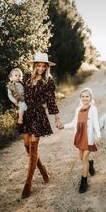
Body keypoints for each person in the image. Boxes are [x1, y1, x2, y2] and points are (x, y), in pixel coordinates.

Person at [20, 52, 63, 199]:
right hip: (26, 114)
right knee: (27, 145)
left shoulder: (48, 81)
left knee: (33, 149)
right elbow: (18, 92)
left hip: (38, 115)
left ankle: (28, 184)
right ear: (34, 65)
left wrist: (57, 118)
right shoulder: (25, 78)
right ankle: (43, 170)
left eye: (44, 66)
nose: (41, 69)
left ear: (47, 67)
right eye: (38, 66)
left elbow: (51, 100)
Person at [62, 88, 101, 193]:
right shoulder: (78, 109)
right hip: (80, 136)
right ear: (80, 98)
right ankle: (90, 163)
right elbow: (74, 122)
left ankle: (84, 181)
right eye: (83, 96)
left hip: (89, 138)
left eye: (87, 96)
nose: (85, 98)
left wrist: (98, 136)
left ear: (91, 98)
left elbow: (96, 123)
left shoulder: (93, 109)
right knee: (81, 157)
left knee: (84, 158)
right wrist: (63, 126)